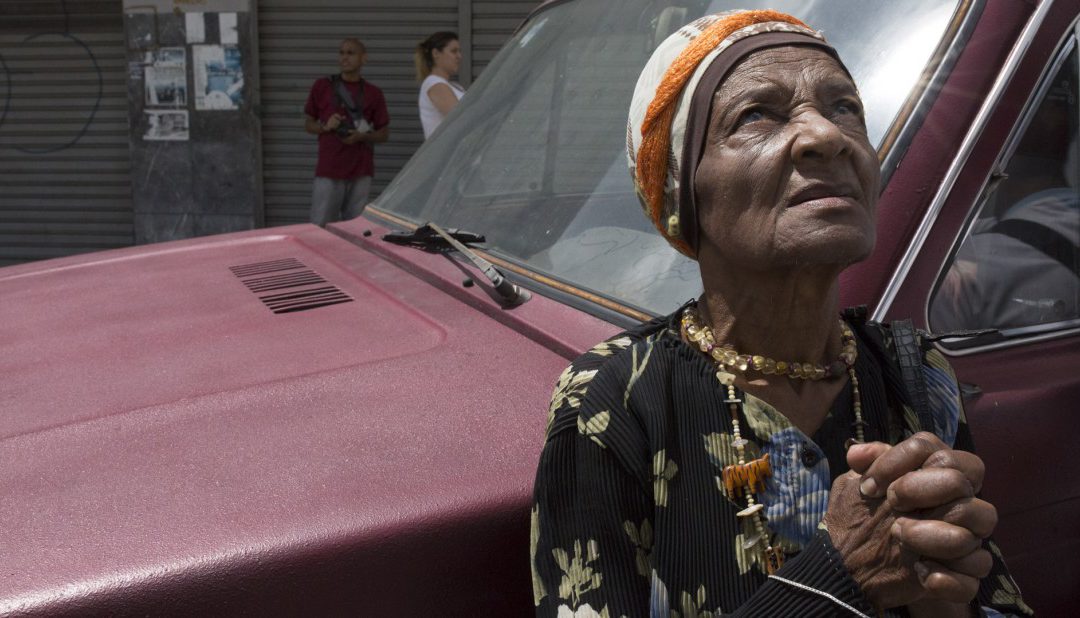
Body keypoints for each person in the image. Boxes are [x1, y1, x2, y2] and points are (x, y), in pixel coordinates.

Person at [530, 10, 1032, 618]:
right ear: (683, 196)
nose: (827, 135)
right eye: (757, 115)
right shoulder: (616, 400)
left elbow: (995, 597)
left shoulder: (915, 372)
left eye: (845, 107)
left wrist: (954, 603)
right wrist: (841, 573)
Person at [303, 38, 390, 226]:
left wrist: (362, 136)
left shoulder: (373, 93)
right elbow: (308, 123)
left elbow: (384, 133)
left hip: (361, 169)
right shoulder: (322, 86)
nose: (345, 57)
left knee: (356, 227)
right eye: (341, 53)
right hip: (329, 168)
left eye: (351, 53)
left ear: (363, 58)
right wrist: (326, 127)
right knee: (321, 226)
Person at [415, 31, 465, 138]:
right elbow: (461, 119)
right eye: (453, 51)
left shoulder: (454, 86)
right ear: (436, 54)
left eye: (459, 51)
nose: (459, 56)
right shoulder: (434, 84)